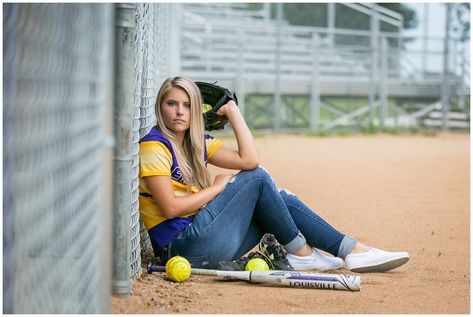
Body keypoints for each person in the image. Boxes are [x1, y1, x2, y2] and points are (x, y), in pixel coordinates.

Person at [138, 76, 409, 273]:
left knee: (276, 198)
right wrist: (217, 188)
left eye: (187, 105)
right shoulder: (154, 145)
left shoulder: (195, 142)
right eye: (172, 104)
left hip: (203, 240)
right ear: (160, 108)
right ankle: (303, 254)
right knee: (256, 179)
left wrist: (232, 109)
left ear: (196, 109)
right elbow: (171, 208)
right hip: (182, 248)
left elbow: (249, 158)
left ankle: (352, 250)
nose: (180, 112)